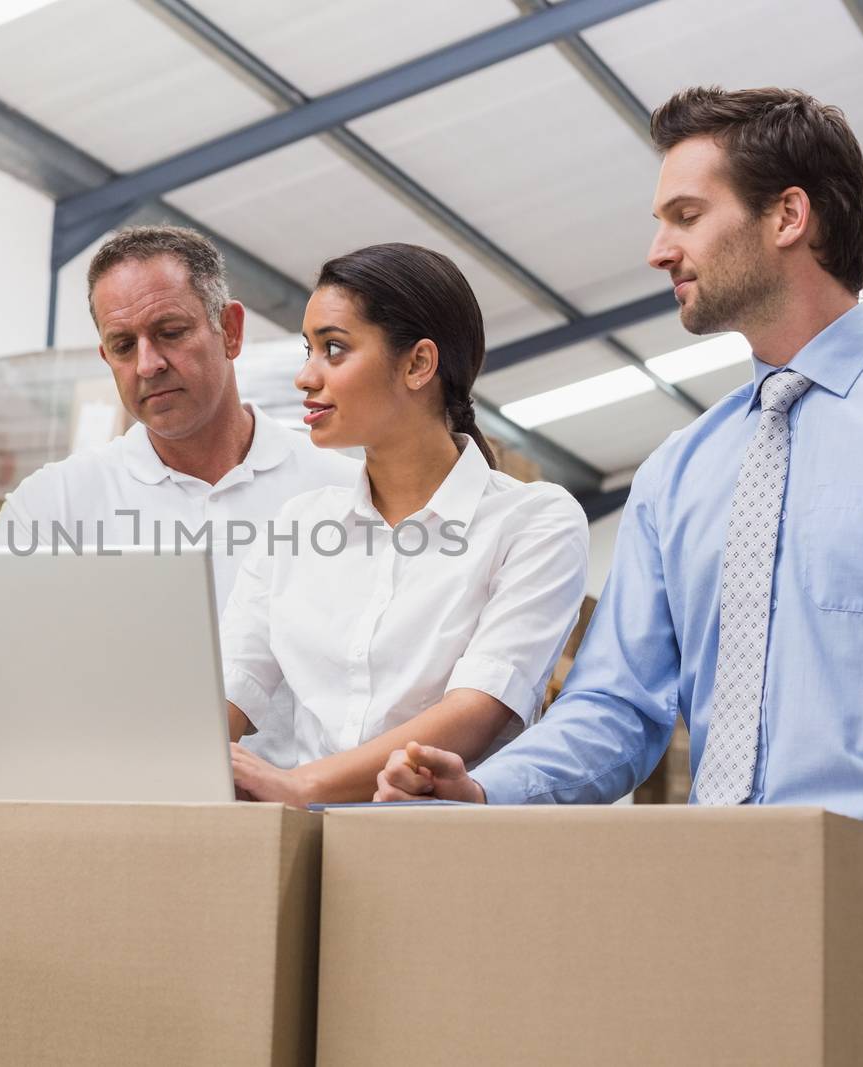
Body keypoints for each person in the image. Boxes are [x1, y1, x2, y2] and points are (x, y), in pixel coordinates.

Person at [375, 87, 863, 1064]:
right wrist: (485, 794)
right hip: (708, 910)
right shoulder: (676, 472)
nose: (656, 250)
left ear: (787, 215)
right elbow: (617, 707)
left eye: (684, 215)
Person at [219, 242, 589, 805]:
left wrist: (299, 785)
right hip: (304, 849)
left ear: (418, 363)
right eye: (308, 349)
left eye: (334, 349)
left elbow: (476, 712)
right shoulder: (294, 526)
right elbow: (226, 695)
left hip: (443, 852)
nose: (305, 377)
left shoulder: (534, 522)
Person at [0, 225, 358, 767]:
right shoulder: (52, 506)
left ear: (230, 331)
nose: (147, 364)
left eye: (170, 332)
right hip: (116, 806)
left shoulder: (343, 494)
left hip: (303, 817)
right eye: (123, 346)